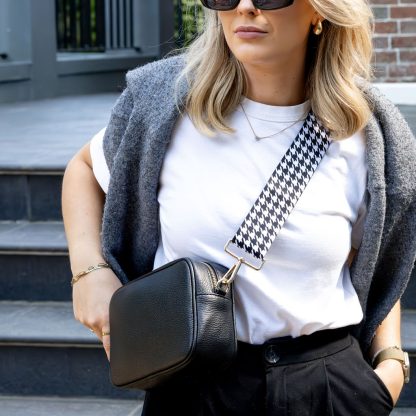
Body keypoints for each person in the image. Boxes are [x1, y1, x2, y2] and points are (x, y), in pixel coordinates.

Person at [62, 0, 415, 414]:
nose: (245, 7)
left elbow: (381, 259)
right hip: (195, 383)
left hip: (325, 388)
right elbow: (84, 168)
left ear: (320, 12)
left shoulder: (367, 133)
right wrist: (89, 272)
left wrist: (390, 363)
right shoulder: (166, 104)